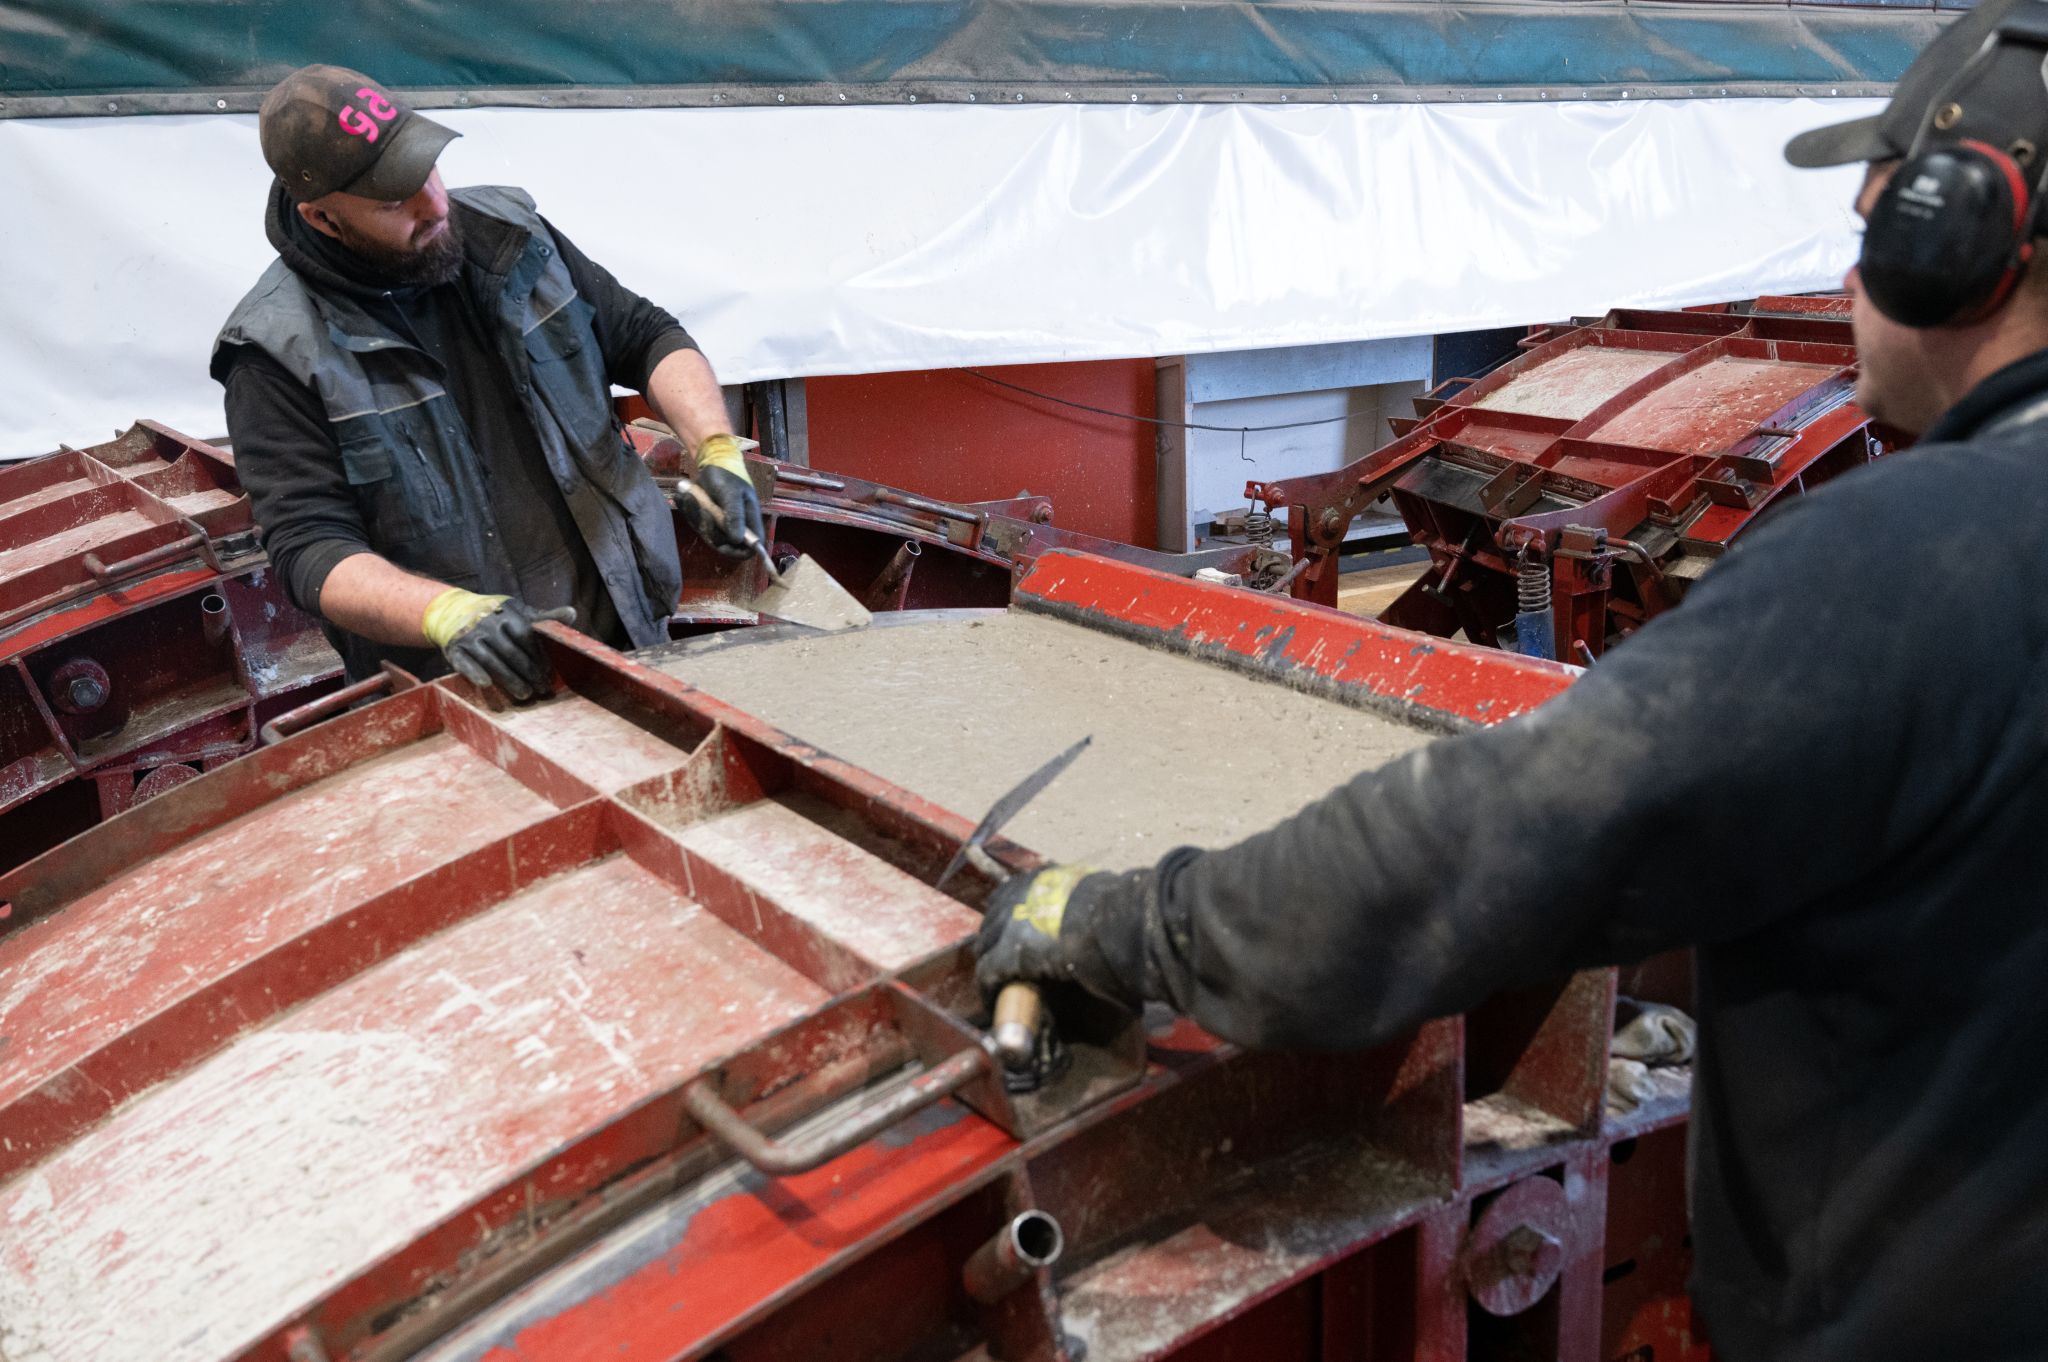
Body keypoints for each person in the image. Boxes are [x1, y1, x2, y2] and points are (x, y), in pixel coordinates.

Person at [976, 3, 2048, 1357]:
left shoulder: (1917, 557)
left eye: (1871, 219)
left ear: (1959, 236)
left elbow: (1505, 838)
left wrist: (1133, 925)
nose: (1851, 270)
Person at [212, 65, 762, 699]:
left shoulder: (516, 238)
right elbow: (311, 548)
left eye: (428, 172)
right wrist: (445, 614)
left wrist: (715, 449)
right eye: (395, 200)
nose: (436, 206)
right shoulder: (275, 354)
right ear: (322, 218)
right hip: (465, 692)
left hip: (630, 638)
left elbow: (645, 335)